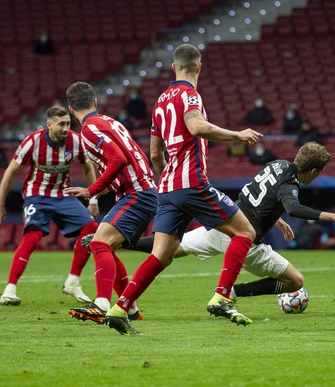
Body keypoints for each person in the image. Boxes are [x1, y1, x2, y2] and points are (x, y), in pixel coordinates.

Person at [102, 44, 263, 334]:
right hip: (192, 182)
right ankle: (222, 296)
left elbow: (154, 154)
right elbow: (197, 127)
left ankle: (119, 307)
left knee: (161, 254)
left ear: (173, 67)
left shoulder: (160, 102)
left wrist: (170, 180)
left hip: (167, 187)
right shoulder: (191, 95)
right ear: (199, 67)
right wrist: (237, 134)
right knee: (245, 232)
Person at [104, 142, 335, 307]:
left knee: (170, 248)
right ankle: (234, 293)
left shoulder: (276, 164)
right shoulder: (290, 184)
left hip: (223, 225)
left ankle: (121, 241)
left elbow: (255, 195)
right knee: (296, 281)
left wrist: (277, 219)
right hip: (244, 240)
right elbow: (294, 207)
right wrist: (334, 216)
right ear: (314, 171)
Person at [64, 81, 158, 324]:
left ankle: (102, 303)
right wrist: (95, 192)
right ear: (94, 102)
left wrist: (91, 189)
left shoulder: (89, 129)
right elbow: (123, 160)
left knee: (98, 243)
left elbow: (118, 160)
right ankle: (132, 309)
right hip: (142, 190)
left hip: (137, 193)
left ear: (71, 108)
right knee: (103, 245)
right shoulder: (110, 121)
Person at [0, 106, 99, 306]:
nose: (66, 128)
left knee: (92, 228)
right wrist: (0, 204)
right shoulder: (33, 141)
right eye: (61, 124)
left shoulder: (76, 141)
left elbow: (88, 166)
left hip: (63, 195)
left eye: (68, 123)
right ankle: (10, 289)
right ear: (49, 125)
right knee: (32, 237)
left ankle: (73, 282)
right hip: (37, 196)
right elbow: (11, 171)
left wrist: (92, 199)